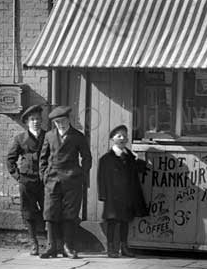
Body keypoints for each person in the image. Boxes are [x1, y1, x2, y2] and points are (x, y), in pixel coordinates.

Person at [39, 105, 92, 259]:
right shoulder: (49, 136)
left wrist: (81, 174)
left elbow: (87, 157)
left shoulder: (78, 136)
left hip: (72, 180)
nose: (60, 125)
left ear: (69, 120)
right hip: (52, 180)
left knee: (70, 214)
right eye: (57, 122)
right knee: (50, 213)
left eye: (63, 121)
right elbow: (43, 157)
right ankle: (51, 247)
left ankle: (68, 247)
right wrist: (44, 175)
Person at [97, 124, 148, 258]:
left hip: (127, 196)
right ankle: (111, 248)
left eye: (125, 136)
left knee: (125, 221)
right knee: (112, 223)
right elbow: (101, 179)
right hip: (112, 197)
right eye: (119, 136)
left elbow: (142, 170)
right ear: (112, 138)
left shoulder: (130, 157)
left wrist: (138, 159)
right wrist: (103, 196)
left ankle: (124, 247)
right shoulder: (106, 159)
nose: (122, 138)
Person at [6, 104, 46, 255]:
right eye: (32, 119)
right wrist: (18, 177)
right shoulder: (20, 139)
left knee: (47, 210)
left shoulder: (47, 136)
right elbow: (10, 160)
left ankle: (49, 242)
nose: (36, 122)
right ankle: (34, 243)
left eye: (38, 119)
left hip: (43, 181)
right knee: (28, 212)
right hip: (27, 181)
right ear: (27, 122)